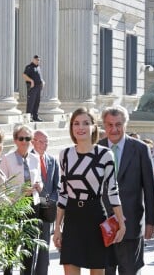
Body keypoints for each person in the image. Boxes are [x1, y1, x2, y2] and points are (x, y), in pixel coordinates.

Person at [53, 107, 126, 275]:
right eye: (76, 123)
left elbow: (113, 192)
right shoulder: (64, 155)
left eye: (86, 123)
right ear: (71, 128)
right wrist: (57, 227)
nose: (81, 127)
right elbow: (63, 193)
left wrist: (121, 224)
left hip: (95, 217)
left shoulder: (105, 155)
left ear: (94, 127)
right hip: (72, 219)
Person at [99, 105, 154, 275]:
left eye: (118, 124)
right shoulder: (97, 149)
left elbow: (150, 188)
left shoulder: (140, 149)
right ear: (104, 125)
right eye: (109, 124)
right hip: (104, 227)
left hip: (132, 226)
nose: (114, 129)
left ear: (125, 124)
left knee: (131, 271)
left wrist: (151, 221)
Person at [0, 124, 43, 275]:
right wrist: (20, 191)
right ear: (15, 140)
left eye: (28, 138)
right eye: (21, 138)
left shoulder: (35, 158)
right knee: (11, 244)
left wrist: (39, 186)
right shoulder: (7, 159)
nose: (25, 142)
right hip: (14, 205)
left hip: (33, 204)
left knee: (29, 245)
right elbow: (2, 185)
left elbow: (40, 180)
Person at [31, 130, 60, 275]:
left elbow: (57, 186)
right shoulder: (27, 158)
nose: (44, 145)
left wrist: (50, 202)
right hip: (30, 209)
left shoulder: (52, 160)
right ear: (33, 141)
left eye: (46, 142)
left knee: (44, 246)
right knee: (29, 247)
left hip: (47, 210)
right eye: (41, 141)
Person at [22, 55, 45, 122]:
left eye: (39, 60)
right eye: (37, 59)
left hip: (38, 87)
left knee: (37, 102)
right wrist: (31, 80)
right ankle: (29, 117)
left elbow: (39, 77)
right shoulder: (29, 67)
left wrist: (42, 81)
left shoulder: (38, 67)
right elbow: (24, 75)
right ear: (33, 59)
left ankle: (35, 116)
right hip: (32, 87)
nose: (38, 61)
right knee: (31, 102)